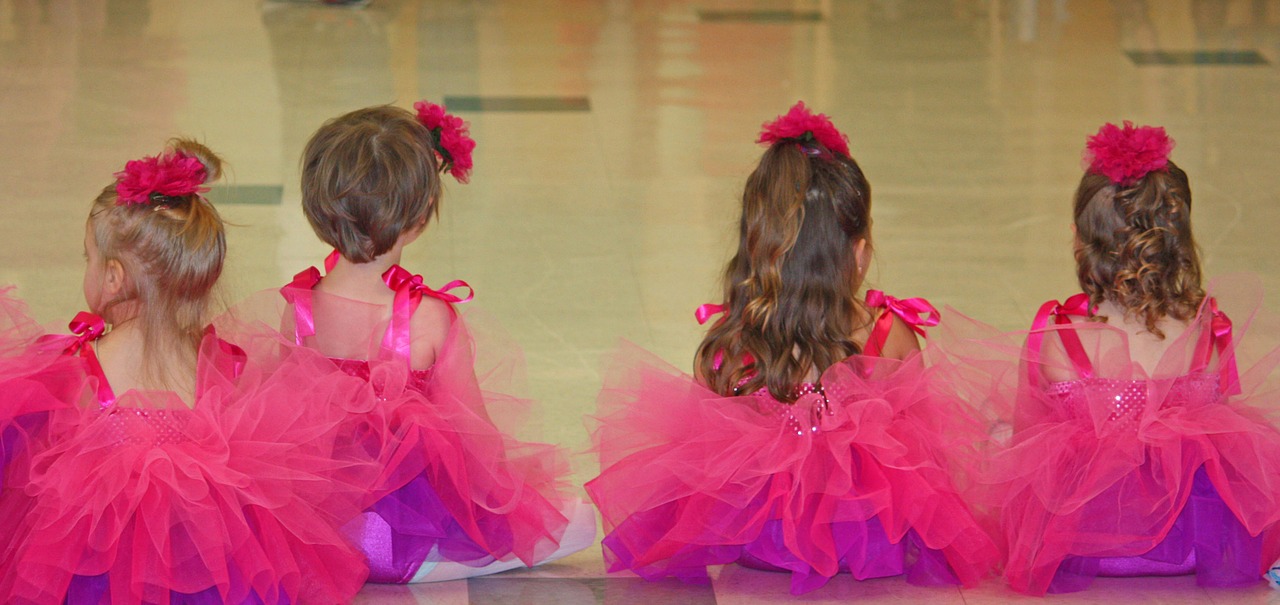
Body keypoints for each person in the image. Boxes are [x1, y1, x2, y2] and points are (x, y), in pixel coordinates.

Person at [585, 102, 999, 595]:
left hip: (758, 538)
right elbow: (925, 452)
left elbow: (703, 453)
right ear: (860, 253)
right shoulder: (888, 336)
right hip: (864, 539)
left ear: (756, 247)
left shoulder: (730, 345)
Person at [220, 100, 595, 584]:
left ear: (317, 209)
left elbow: (274, 422)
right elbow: (476, 437)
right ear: (418, 221)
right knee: (573, 520)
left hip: (316, 531)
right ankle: (426, 561)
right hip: (407, 539)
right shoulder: (429, 317)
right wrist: (507, 510)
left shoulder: (300, 306)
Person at [0, 139, 375, 603]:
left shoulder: (79, 367)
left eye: (88, 258)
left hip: (96, 566)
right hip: (208, 561)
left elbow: (24, 459)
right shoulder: (222, 364)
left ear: (114, 278)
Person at [949, 122, 1280, 594]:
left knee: (1006, 436)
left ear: (1078, 240)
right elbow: (1222, 439)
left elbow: (1031, 428)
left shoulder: (1061, 330)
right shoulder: (1211, 328)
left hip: (1082, 545)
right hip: (1192, 545)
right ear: (1177, 245)